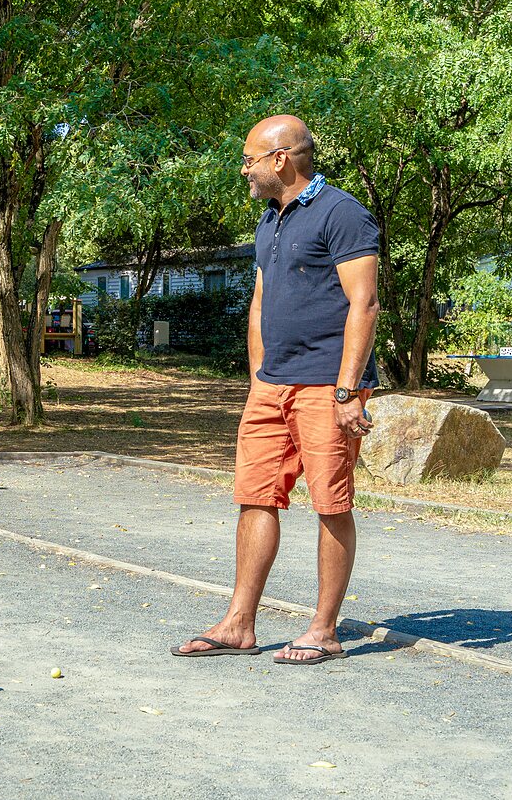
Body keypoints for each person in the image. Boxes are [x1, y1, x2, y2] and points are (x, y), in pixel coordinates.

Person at [172, 114, 380, 665]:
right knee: (256, 496)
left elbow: (364, 304)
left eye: (250, 160)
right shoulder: (271, 220)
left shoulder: (342, 213)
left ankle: (323, 630)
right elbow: (260, 302)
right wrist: (257, 380)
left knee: (330, 503)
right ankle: (239, 624)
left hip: (327, 386)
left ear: (280, 159)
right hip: (272, 386)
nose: (245, 169)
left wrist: (347, 390)